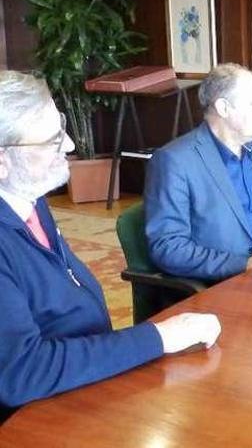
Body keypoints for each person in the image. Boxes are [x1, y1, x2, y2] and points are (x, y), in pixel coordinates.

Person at [0, 71, 221, 423]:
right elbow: (22, 373)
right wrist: (157, 337)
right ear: (2, 161)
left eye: (61, 126)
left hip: (81, 386)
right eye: (52, 139)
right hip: (33, 420)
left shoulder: (29, 198)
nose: (70, 145)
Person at [145, 63, 252, 287]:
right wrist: (244, 264)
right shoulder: (175, 161)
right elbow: (168, 247)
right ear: (223, 108)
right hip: (230, 285)